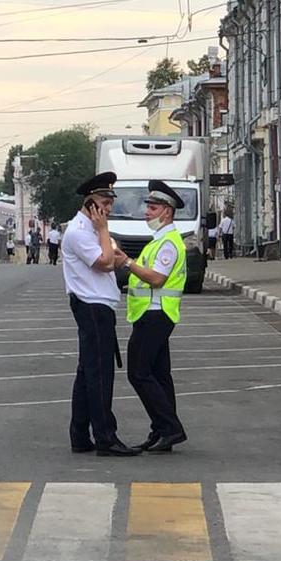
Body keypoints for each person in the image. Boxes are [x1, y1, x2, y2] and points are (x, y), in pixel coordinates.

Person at [62, 171, 140, 457]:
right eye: (104, 203)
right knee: (100, 374)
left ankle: (80, 435)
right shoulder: (79, 232)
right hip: (91, 306)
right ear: (90, 203)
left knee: (87, 372)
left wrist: (106, 238)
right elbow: (107, 262)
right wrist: (104, 231)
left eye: (110, 202)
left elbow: (114, 256)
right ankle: (106, 437)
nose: (109, 208)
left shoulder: (91, 230)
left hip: (99, 305)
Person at [115, 179, 188, 453]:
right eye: (148, 207)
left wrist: (127, 262)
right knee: (159, 374)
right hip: (151, 313)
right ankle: (161, 431)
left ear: (167, 212)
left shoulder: (168, 243)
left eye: (153, 208)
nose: (147, 212)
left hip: (155, 313)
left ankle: (170, 427)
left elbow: (157, 278)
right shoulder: (159, 241)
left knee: (139, 372)